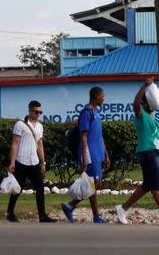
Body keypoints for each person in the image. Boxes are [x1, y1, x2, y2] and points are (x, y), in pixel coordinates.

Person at [115, 78, 159, 226]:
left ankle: (122, 208)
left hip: (153, 153)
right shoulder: (141, 115)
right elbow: (135, 104)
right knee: (156, 185)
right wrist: (145, 86)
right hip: (147, 152)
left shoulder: (151, 116)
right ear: (146, 102)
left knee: (147, 185)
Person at [61, 86, 110, 223]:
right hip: (89, 153)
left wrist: (106, 154)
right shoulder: (86, 113)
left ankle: (69, 206)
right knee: (93, 183)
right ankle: (95, 216)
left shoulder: (97, 113)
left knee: (95, 184)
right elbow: (83, 136)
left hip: (98, 153)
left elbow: (99, 136)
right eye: (102, 95)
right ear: (95, 96)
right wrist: (84, 157)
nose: (104, 98)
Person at [6, 100, 57, 223]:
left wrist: (43, 162)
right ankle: (10, 213)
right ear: (30, 111)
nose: (38, 114)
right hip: (21, 162)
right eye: (36, 112)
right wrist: (12, 163)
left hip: (34, 162)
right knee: (18, 188)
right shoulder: (20, 124)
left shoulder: (40, 126)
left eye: (40, 112)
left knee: (40, 188)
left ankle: (42, 216)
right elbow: (15, 144)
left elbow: (40, 145)